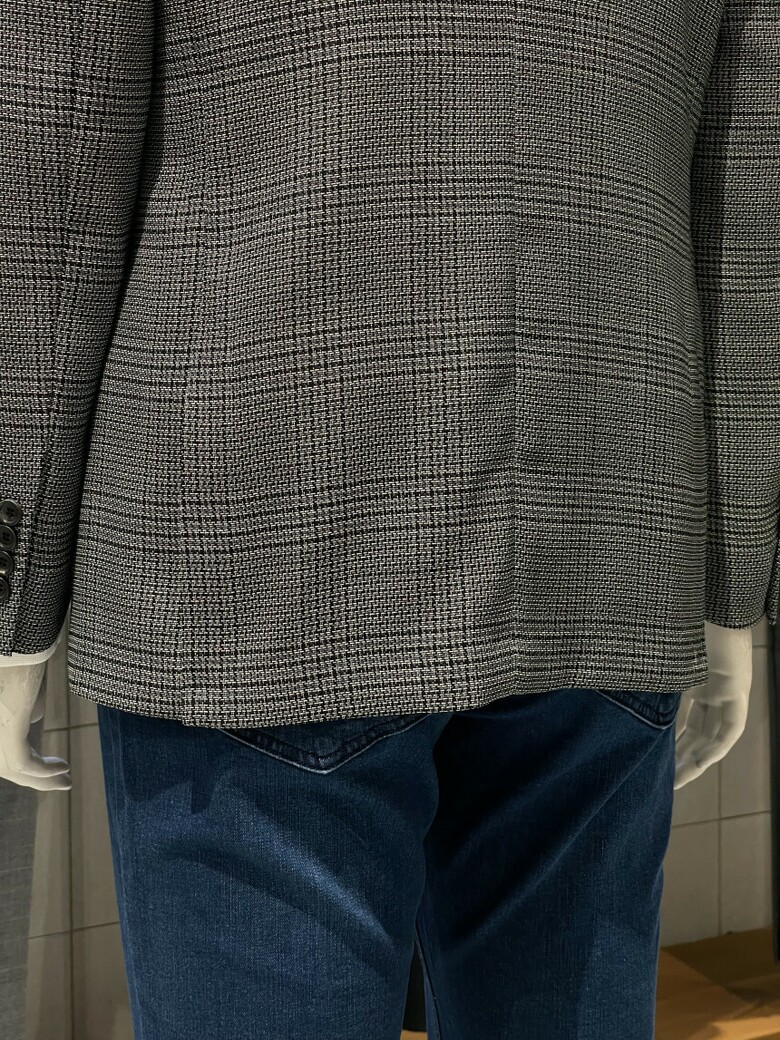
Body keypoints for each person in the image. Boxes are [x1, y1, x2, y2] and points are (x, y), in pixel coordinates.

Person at [1, 0, 777, 1037]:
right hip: (613, 518)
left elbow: (50, 167)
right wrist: (733, 579)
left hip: (256, 529)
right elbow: (749, 202)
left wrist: (13, 599)